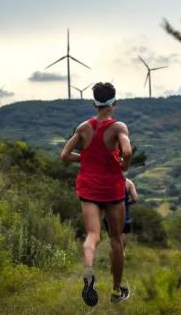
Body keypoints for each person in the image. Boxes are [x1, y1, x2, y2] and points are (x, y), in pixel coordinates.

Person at [60, 82, 132, 306]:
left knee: (92, 235)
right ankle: (117, 290)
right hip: (112, 189)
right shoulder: (119, 127)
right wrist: (124, 164)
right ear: (114, 103)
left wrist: (86, 158)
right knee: (115, 240)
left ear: (94, 104)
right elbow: (127, 150)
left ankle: (89, 271)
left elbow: (64, 155)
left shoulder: (83, 127)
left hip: (89, 188)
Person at [103, 178, 139, 255]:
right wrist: (127, 203)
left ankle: (112, 263)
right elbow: (135, 198)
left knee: (113, 243)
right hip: (124, 217)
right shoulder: (128, 183)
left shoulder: (106, 181)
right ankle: (118, 263)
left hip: (109, 216)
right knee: (121, 246)